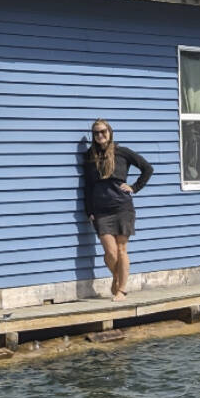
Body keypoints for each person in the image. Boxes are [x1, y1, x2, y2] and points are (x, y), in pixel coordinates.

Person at [83, 119, 153, 301]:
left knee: (121, 250)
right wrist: (89, 210)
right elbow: (88, 186)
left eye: (103, 131)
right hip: (101, 210)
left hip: (122, 208)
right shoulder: (90, 156)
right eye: (96, 133)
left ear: (110, 132)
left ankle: (121, 290)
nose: (100, 135)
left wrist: (134, 187)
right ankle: (117, 277)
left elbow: (147, 168)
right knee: (110, 253)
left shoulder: (122, 152)